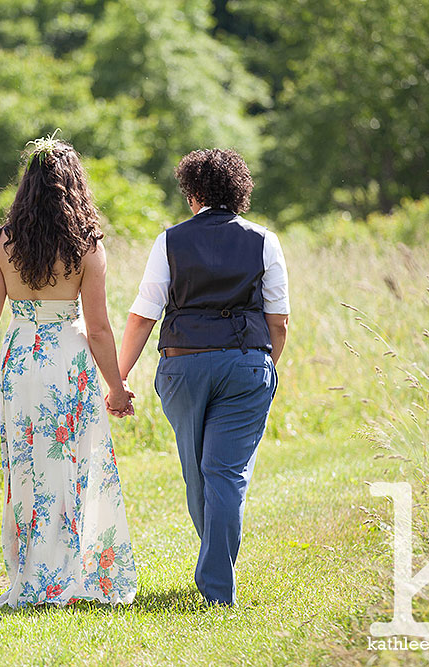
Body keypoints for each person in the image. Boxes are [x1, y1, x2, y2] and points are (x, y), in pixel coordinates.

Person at [0, 135, 137, 607]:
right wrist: (117, 387)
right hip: (67, 364)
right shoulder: (87, 246)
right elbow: (98, 328)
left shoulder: (3, 242)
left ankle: (31, 572)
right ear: (75, 186)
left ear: (26, 187)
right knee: (71, 465)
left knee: (27, 467)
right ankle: (70, 574)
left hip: (20, 362)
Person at [115, 148, 289, 606]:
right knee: (224, 475)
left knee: (199, 474)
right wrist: (266, 365)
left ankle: (216, 584)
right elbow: (279, 322)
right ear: (239, 192)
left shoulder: (169, 240)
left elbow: (142, 316)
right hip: (246, 364)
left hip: (183, 365)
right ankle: (218, 576)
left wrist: (118, 379)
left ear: (192, 193)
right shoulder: (265, 241)